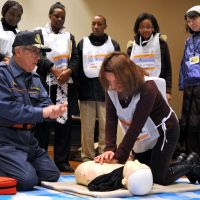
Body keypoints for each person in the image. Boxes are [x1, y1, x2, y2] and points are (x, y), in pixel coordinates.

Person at [94, 52, 200, 185]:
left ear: (128, 76)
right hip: (145, 136)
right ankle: (182, 161)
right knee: (143, 173)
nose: (114, 86)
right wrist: (109, 149)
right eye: (110, 81)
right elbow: (110, 120)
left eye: (118, 81)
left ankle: (190, 164)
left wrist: (119, 157)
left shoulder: (147, 89)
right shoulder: (111, 89)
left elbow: (135, 127)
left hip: (165, 131)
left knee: (157, 178)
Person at [0, 30, 68, 190]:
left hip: (28, 140)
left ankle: (19, 164)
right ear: (18, 51)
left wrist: (54, 110)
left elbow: (46, 105)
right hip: (4, 140)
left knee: (52, 174)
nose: (39, 57)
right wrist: (42, 112)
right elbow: (7, 109)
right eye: (34, 51)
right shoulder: (2, 74)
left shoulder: (35, 78)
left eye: (40, 52)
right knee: (27, 180)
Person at [34, 2, 79, 172]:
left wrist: (68, 71)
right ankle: (40, 159)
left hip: (64, 85)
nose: (59, 19)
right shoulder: (39, 33)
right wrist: (53, 69)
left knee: (64, 124)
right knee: (43, 123)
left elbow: (75, 58)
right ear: (50, 16)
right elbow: (37, 55)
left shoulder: (70, 36)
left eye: (62, 17)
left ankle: (61, 161)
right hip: (45, 83)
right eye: (56, 16)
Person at [77, 15, 120, 162]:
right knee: (87, 129)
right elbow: (77, 68)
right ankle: (87, 157)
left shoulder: (113, 45)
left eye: (99, 24)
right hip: (86, 91)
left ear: (105, 26)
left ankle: (105, 155)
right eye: (93, 24)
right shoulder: (82, 44)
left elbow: (119, 69)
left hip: (107, 92)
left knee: (106, 128)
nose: (96, 26)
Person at [127, 13, 172, 102]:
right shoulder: (132, 47)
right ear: (138, 29)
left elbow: (168, 69)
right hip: (138, 88)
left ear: (153, 28)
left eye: (148, 27)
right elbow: (128, 71)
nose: (145, 30)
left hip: (158, 87)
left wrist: (168, 91)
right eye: (142, 27)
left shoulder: (161, 44)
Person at [179, 6, 200, 155]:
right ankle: (189, 155)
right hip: (189, 86)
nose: (191, 22)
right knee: (187, 121)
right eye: (189, 20)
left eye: (194, 18)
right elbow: (184, 62)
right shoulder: (188, 40)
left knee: (196, 122)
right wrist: (182, 83)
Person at [75, 160, 153, 195]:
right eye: (141, 164)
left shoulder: (97, 173)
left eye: (136, 164)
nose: (137, 160)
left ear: (124, 180)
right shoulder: (125, 171)